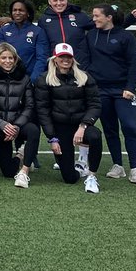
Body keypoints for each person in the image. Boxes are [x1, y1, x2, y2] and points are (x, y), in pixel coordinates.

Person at [35, 42, 103, 193]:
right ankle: (78, 168)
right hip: (60, 129)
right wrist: (52, 138)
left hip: (81, 125)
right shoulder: (44, 79)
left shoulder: (84, 77)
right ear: (55, 59)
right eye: (62, 57)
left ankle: (92, 176)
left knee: (95, 136)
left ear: (73, 59)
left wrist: (83, 125)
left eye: (68, 57)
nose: (65, 60)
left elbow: (95, 105)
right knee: (70, 178)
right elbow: (43, 111)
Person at [87, 5, 136, 185]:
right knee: (110, 129)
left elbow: (133, 64)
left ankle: (135, 168)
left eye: (96, 16)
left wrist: (130, 87)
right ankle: (117, 165)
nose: (93, 19)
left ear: (108, 17)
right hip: (100, 90)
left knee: (130, 126)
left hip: (123, 91)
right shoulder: (91, 35)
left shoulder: (126, 37)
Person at [0, 43, 41, 188]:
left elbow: (30, 105)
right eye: (3, 58)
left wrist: (16, 126)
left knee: (33, 129)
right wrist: (1, 123)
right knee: (8, 172)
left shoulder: (24, 77)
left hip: (17, 124)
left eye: (11, 58)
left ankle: (24, 171)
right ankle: (21, 155)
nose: (7, 61)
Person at [0, 0, 49, 81]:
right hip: (6, 78)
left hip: (28, 78)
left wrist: (33, 79)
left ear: (28, 13)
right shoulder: (4, 30)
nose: (17, 13)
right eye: (14, 10)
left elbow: (42, 58)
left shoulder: (38, 31)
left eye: (21, 10)